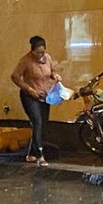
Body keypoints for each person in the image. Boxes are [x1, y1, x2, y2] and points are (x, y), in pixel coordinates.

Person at [9, 36, 62, 164]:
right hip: (30, 96)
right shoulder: (26, 60)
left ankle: (31, 153)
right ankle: (40, 155)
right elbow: (15, 77)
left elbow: (52, 71)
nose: (40, 55)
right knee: (37, 122)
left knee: (43, 123)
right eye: (38, 52)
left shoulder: (47, 58)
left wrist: (55, 75)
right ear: (32, 51)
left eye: (42, 52)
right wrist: (28, 89)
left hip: (44, 95)